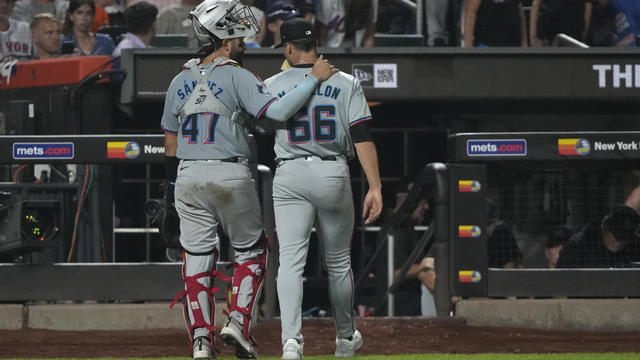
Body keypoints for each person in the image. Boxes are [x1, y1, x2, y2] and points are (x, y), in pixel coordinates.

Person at [160, 1, 337, 358]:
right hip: (230, 172)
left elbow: (169, 142)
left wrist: (170, 193)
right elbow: (279, 112)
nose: (243, 39)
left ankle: (200, 341)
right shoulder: (239, 75)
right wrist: (313, 79)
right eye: (237, 34)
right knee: (252, 251)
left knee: (196, 258)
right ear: (224, 39)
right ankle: (238, 322)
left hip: (187, 176)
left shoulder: (179, 78)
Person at [264, 17, 383, 360]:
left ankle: (291, 342)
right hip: (332, 171)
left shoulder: (272, 83)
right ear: (315, 44)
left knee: (290, 262)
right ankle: (345, 338)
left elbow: (257, 128)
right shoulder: (346, 82)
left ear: (287, 47)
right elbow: (362, 138)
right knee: (338, 262)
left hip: (289, 173)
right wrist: (374, 186)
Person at [557, 205, 640, 268]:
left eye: (625, 238)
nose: (620, 243)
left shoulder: (635, 247)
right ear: (605, 226)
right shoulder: (576, 249)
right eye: (617, 236)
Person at [529, 0, 595, 46]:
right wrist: (533, 36)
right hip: (549, 35)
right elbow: (536, 5)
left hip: (574, 34)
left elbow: (587, 12)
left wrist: (583, 36)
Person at [463, 0, 527, 47]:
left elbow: (520, 15)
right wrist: (468, 47)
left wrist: (524, 43)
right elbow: (470, 14)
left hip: (512, 45)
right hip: (485, 46)